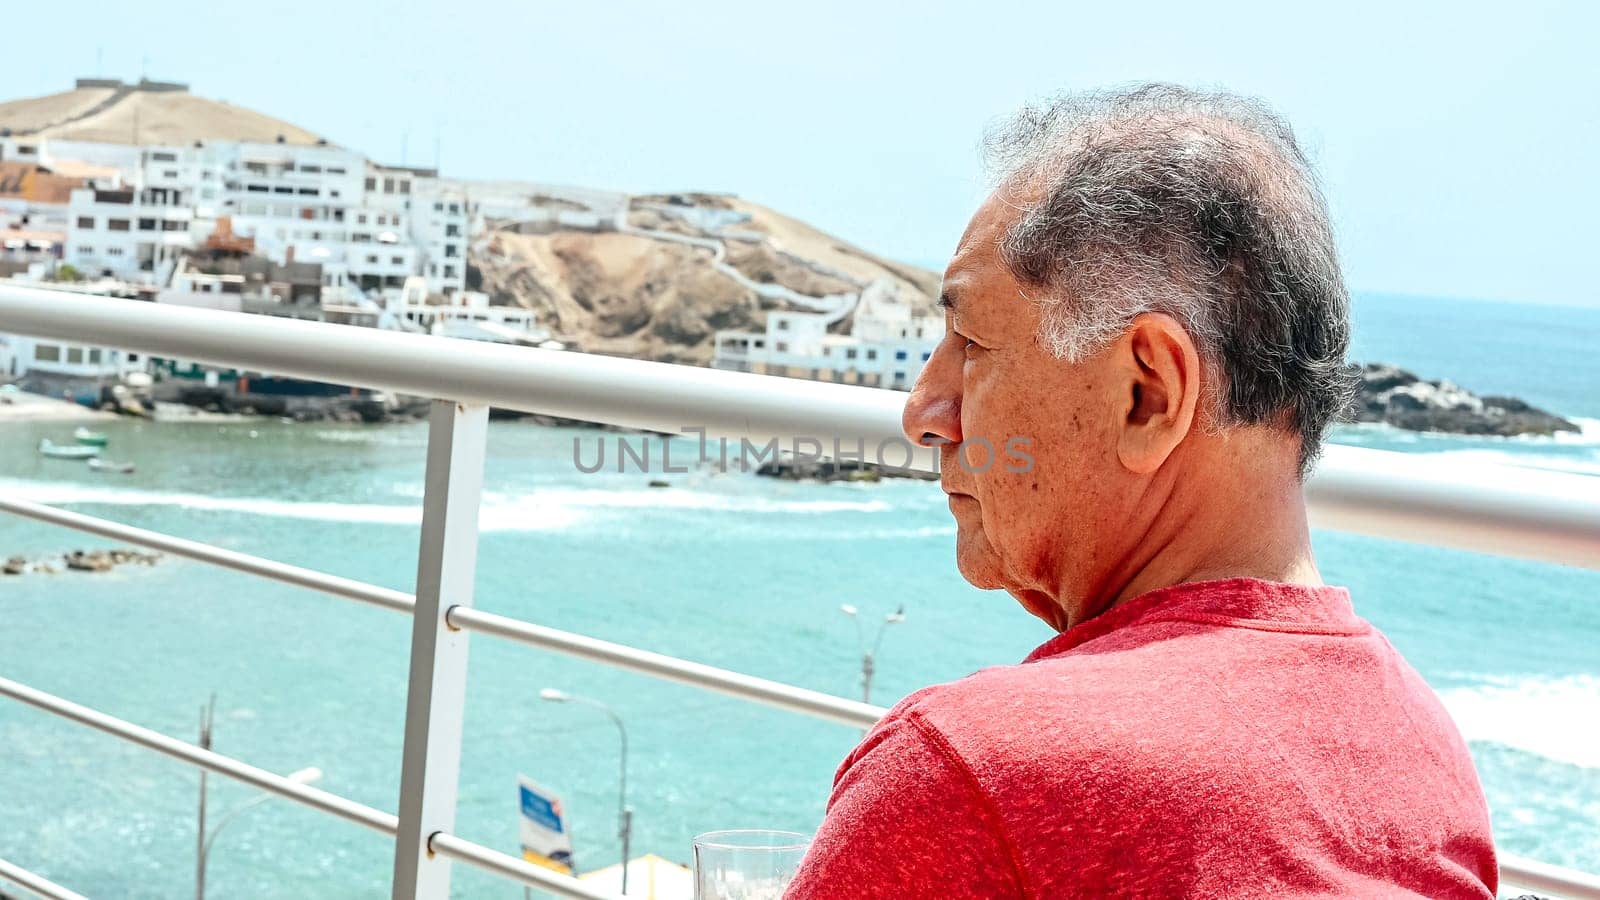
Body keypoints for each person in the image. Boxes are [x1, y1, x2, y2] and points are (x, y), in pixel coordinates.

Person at [784, 85, 1497, 899]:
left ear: (1148, 394)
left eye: (972, 344)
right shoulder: (1420, 753)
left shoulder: (971, 779)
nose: (924, 413)